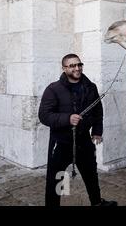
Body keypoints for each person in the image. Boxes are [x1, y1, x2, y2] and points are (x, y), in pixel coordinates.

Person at [38, 54, 117, 207]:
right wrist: (67, 119)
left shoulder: (90, 87)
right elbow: (44, 116)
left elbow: (97, 111)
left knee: (91, 175)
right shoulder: (53, 89)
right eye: (72, 65)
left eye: (79, 64)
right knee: (58, 178)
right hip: (61, 142)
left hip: (84, 141)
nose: (77, 68)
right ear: (64, 68)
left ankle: (97, 203)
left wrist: (97, 131)